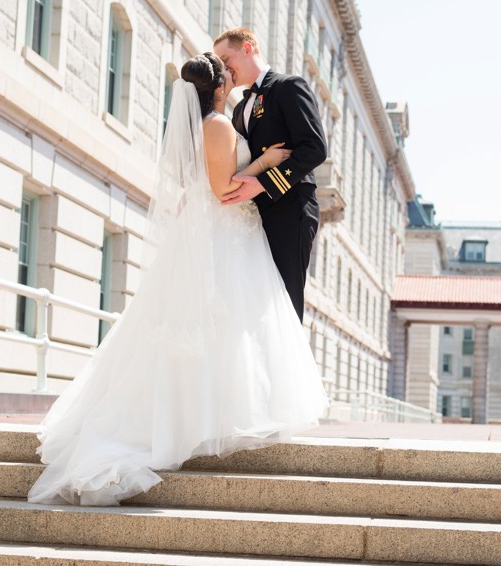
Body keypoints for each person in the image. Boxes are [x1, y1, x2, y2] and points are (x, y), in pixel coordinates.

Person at [27, 52, 329, 507]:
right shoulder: (220, 127)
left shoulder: (203, 125)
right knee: (232, 322)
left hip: (221, 234)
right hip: (230, 232)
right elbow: (223, 189)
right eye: (227, 73)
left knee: (216, 326)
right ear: (222, 87)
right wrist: (264, 161)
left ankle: (201, 415)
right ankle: (211, 419)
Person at [214, 27, 328, 322]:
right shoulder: (239, 109)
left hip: (290, 211)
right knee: (254, 312)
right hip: (252, 219)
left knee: (284, 310)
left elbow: (315, 149)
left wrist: (263, 184)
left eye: (226, 59)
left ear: (248, 49)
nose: (224, 69)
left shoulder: (289, 87)